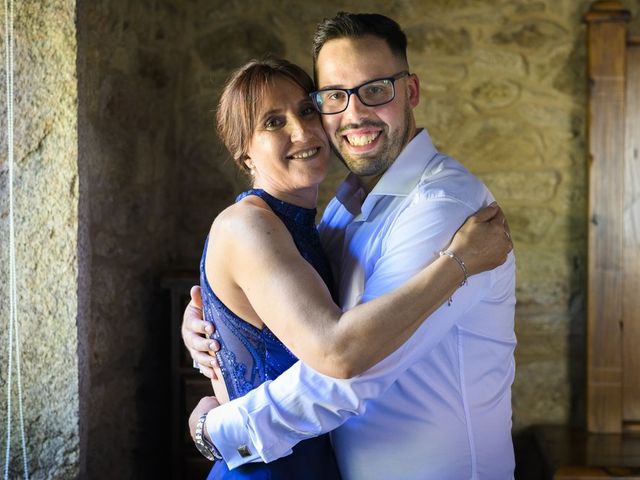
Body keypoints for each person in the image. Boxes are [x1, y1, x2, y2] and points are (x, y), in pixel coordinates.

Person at [186, 12, 517, 480]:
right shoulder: (345, 208)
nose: (355, 113)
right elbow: (292, 317)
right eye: (335, 97)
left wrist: (214, 430)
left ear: (411, 92)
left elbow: (349, 371)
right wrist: (213, 319)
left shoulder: (441, 207)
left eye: (375, 89)